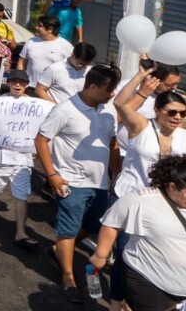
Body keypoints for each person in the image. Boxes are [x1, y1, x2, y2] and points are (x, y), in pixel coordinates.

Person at [35, 64, 121, 304]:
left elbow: (112, 142)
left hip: (101, 183)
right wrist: (51, 175)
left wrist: (118, 172)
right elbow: (41, 140)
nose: (112, 93)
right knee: (68, 229)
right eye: (109, 89)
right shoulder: (64, 110)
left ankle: (59, 249)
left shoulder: (108, 110)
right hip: (70, 181)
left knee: (95, 225)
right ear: (92, 86)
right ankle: (68, 277)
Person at [109, 64, 186, 307]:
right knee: (126, 257)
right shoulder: (141, 126)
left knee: (152, 256)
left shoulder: (184, 137)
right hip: (130, 198)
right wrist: (141, 78)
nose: (177, 118)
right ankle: (116, 302)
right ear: (157, 110)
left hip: (164, 206)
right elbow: (121, 104)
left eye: (183, 114)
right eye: (172, 112)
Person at [89, 155, 186, 311]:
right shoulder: (142, 200)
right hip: (150, 283)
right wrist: (101, 254)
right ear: (172, 187)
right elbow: (112, 222)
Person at [0, 69, 42, 249]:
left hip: (22, 158)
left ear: (27, 84)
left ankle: (21, 232)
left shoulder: (36, 106)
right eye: (14, 81)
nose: (17, 85)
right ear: (8, 83)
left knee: (22, 195)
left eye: (21, 82)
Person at [16, 15, 74, 87]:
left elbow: (72, 68)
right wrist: (20, 80)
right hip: (29, 87)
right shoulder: (31, 41)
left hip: (52, 90)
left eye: (40, 26)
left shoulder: (66, 46)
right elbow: (21, 62)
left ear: (50, 29)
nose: (36, 27)